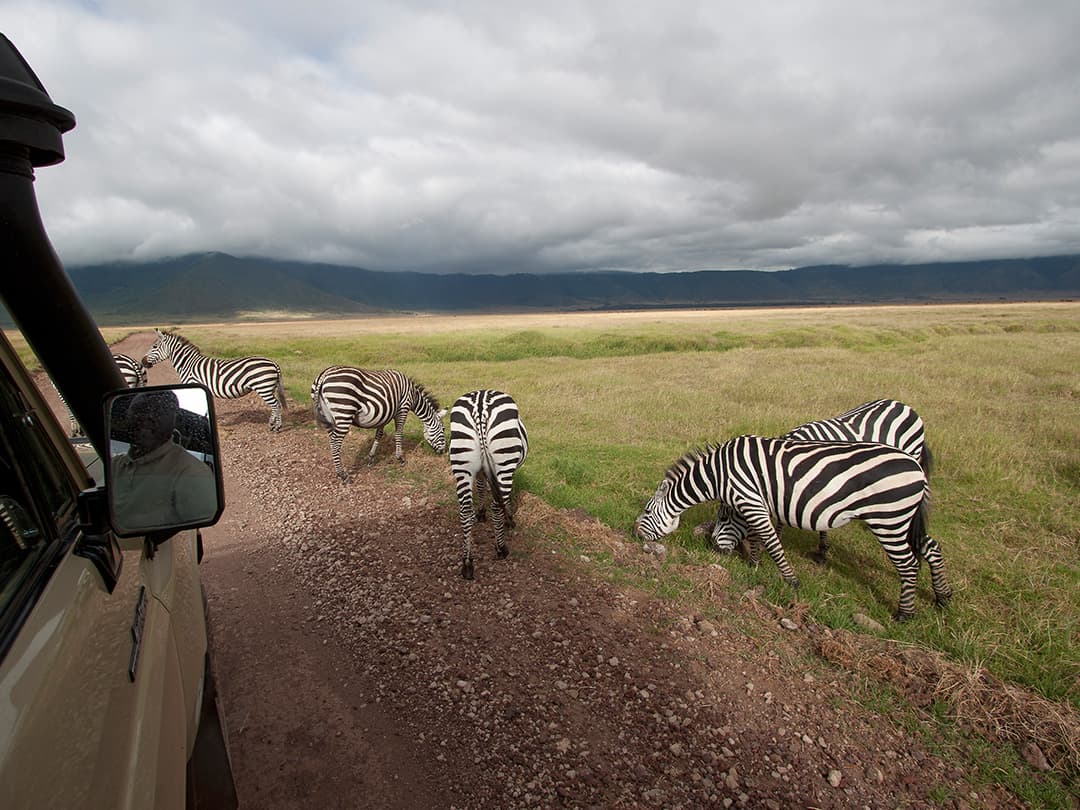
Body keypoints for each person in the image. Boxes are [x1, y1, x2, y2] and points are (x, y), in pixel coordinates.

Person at [111, 390, 216, 531]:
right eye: (139, 410)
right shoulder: (115, 465)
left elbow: (199, 520)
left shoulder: (191, 471)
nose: (148, 418)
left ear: (175, 421)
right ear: (126, 417)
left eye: (158, 412)